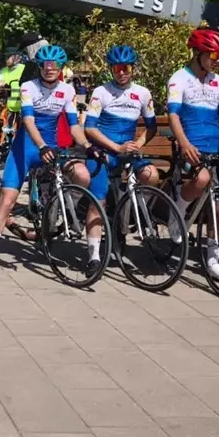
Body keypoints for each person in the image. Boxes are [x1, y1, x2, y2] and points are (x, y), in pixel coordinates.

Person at [0, 44, 94, 281]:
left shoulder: (67, 90)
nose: (50, 69)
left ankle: (58, 208)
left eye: (55, 65)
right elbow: (28, 121)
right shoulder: (28, 86)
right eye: (45, 65)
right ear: (39, 66)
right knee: (7, 201)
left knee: (82, 175)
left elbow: (73, 125)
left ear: (61, 67)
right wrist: (41, 146)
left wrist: (88, 146)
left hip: (52, 148)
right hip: (28, 147)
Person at [166, 28, 219, 283]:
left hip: (216, 146)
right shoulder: (179, 79)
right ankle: (178, 210)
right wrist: (184, 143)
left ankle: (213, 258)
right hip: (192, 144)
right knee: (201, 179)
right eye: (212, 54)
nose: (216, 60)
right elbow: (174, 115)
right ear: (198, 53)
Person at [81, 46, 160, 276]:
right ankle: (94, 256)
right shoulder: (100, 92)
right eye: (117, 68)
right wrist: (116, 147)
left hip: (128, 151)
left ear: (133, 69)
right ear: (111, 70)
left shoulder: (143, 93)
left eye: (125, 68)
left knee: (151, 176)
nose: (121, 73)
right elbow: (90, 128)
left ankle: (130, 206)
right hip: (105, 151)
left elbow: (152, 126)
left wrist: (140, 144)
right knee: (99, 202)